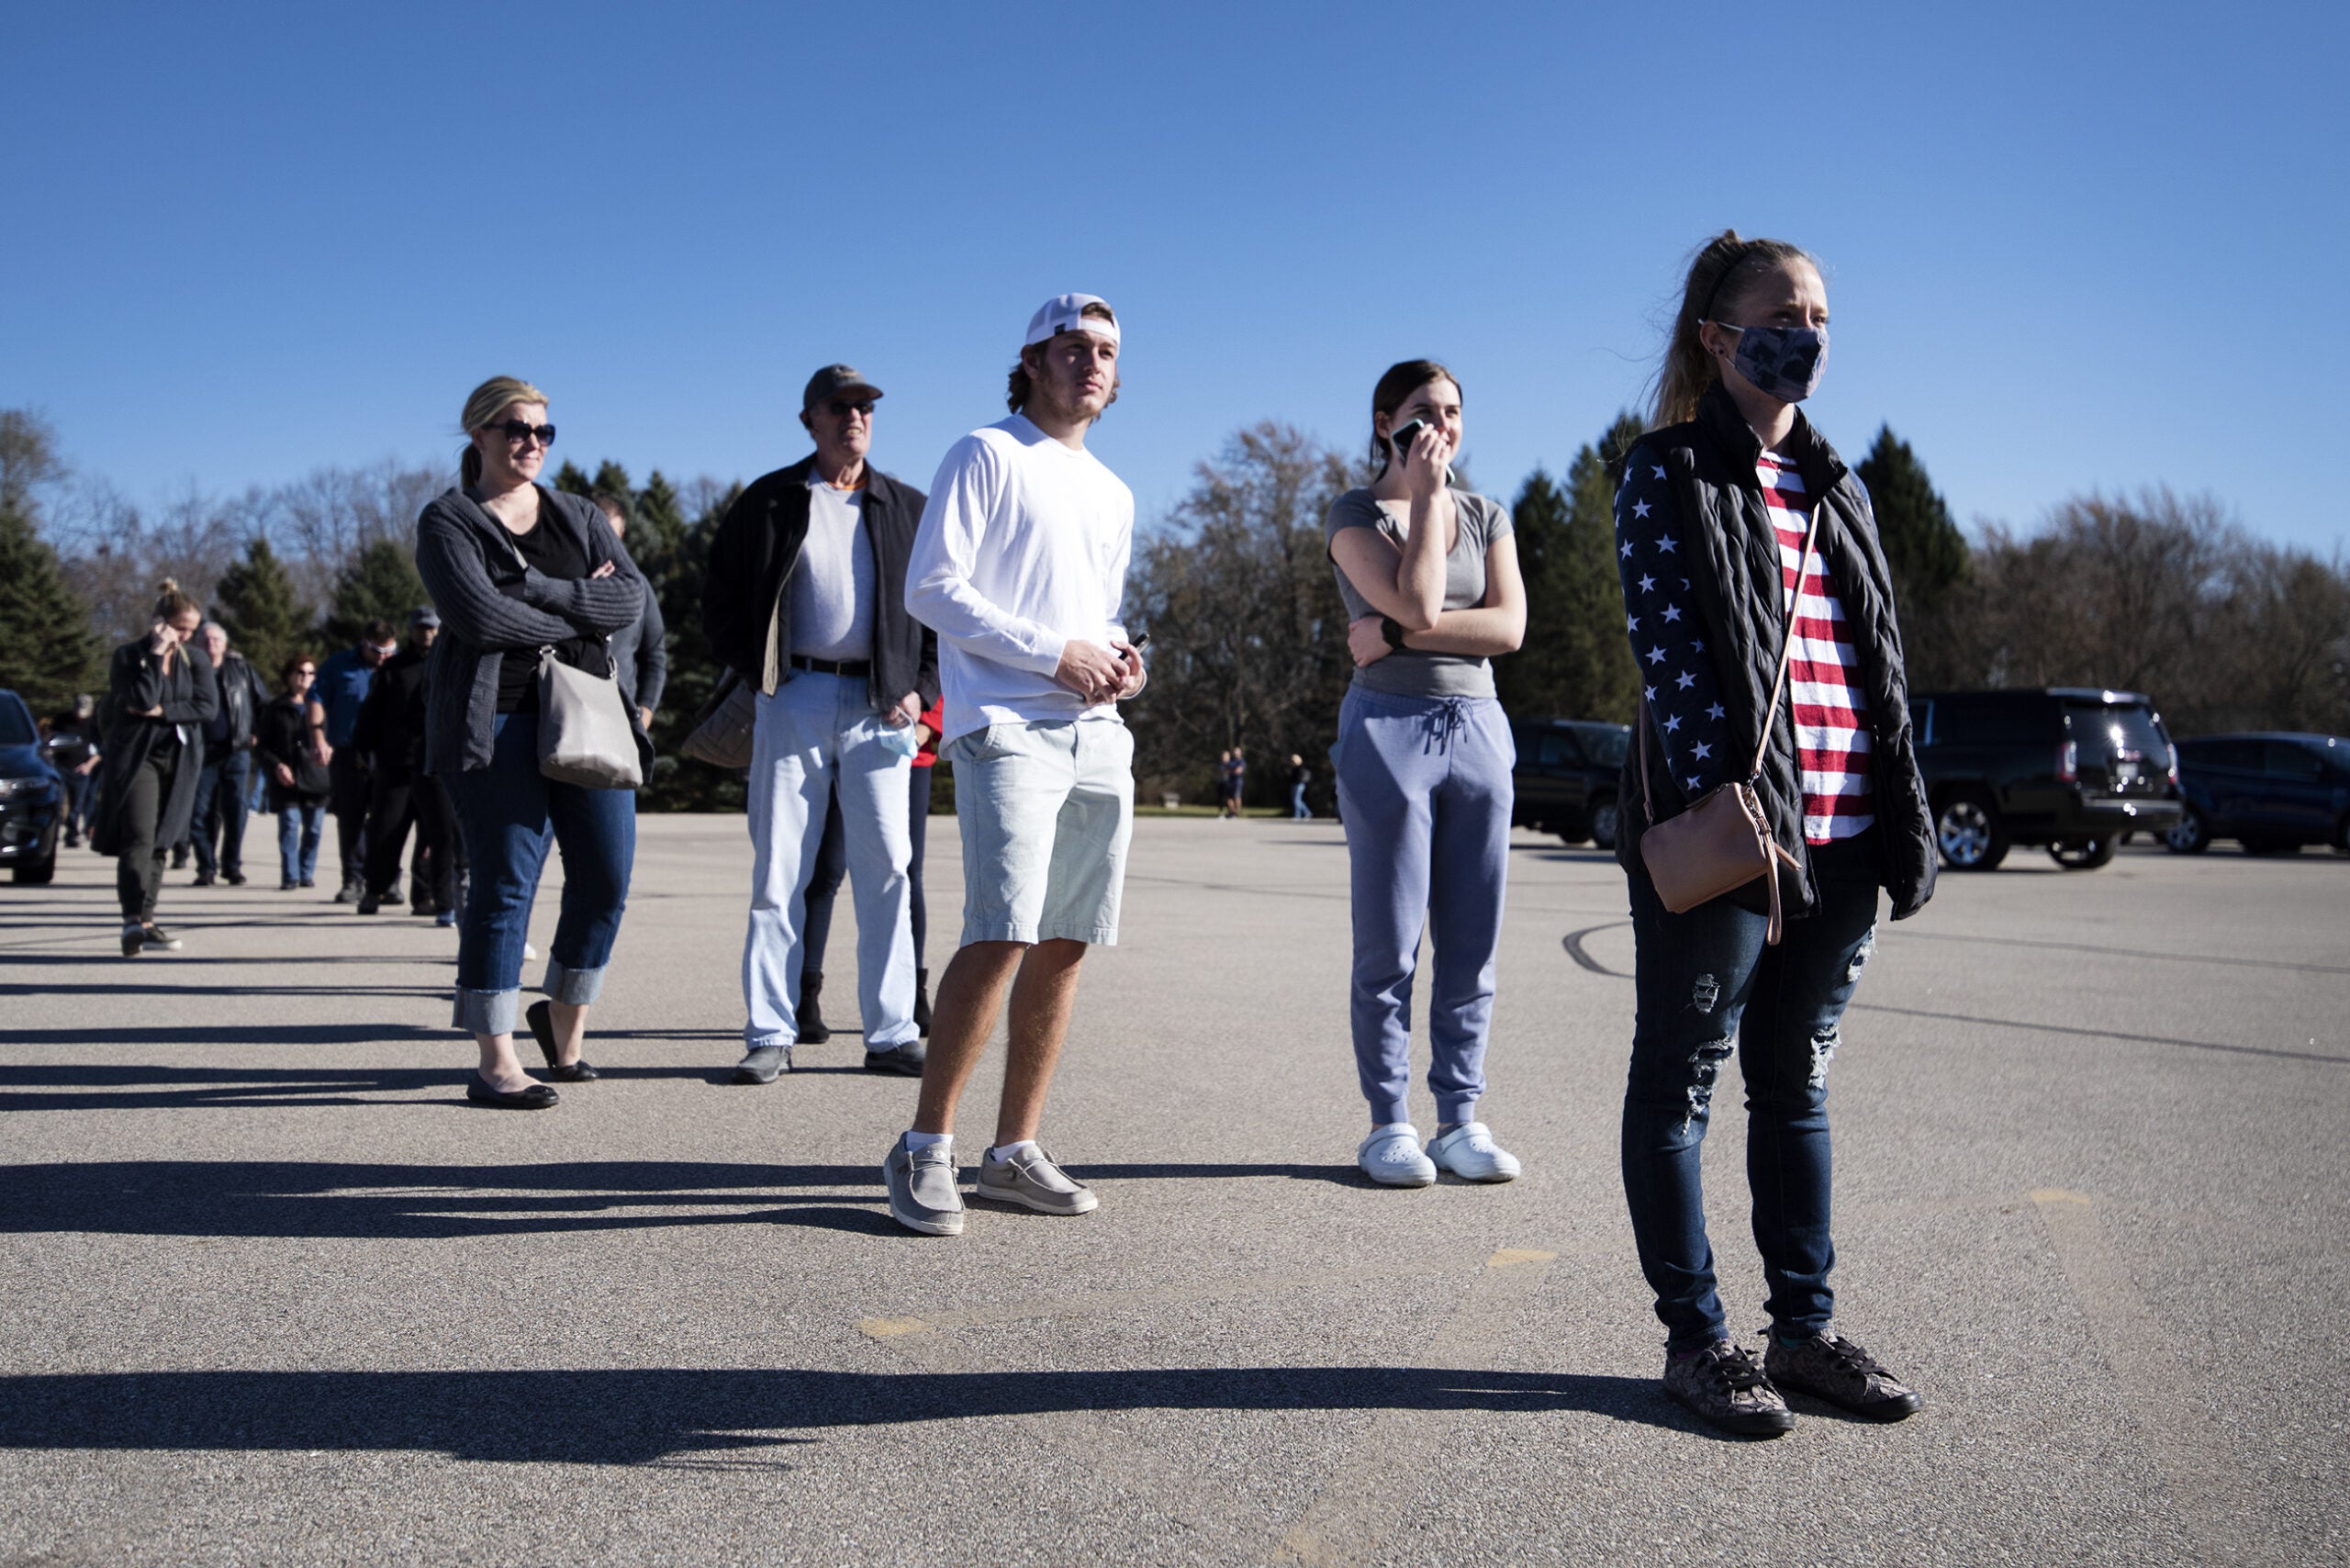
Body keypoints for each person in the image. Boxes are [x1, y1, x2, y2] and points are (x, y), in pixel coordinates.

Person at [1609, 231, 1936, 1437]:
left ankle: (1803, 1332)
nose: (1807, 332)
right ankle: (1700, 1343)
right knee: (1681, 1080)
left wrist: (1899, 813)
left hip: (1847, 835)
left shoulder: (1841, 483)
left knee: (1794, 1086)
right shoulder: (1668, 471)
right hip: (1735, 832)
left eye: (1821, 316)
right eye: (1783, 312)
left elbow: (1879, 664)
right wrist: (1734, 814)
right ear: (1716, 334)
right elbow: (1673, 655)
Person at [890, 293, 1145, 1238]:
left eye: (1106, 351)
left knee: (1066, 938)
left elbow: (1096, 612)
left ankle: (1011, 1150)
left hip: (1093, 731)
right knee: (1000, 929)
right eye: (1071, 346)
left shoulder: (1113, 491)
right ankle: (925, 1146)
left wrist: (1121, 658)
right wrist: (1053, 653)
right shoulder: (984, 453)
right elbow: (932, 587)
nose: (1090, 362)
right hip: (1003, 726)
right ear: (1031, 360)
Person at [414, 375, 650, 1110]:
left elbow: (631, 599)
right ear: (478, 433)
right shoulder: (449, 520)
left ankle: (563, 1017)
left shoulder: (579, 514)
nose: (531, 444)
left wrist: (537, 592)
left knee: (606, 877)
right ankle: (494, 1060)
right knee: (506, 884)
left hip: (586, 712)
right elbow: (480, 621)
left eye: (544, 432)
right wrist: (582, 605)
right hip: (497, 720)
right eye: (516, 429)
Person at [702, 364, 938, 1084]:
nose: (855, 418)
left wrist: (922, 694)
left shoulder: (907, 506)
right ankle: (770, 1031)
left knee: (889, 872)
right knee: (780, 871)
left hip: (882, 710)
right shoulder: (771, 501)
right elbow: (720, 603)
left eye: (865, 407)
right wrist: (761, 675)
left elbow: (942, 611)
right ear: (809, 419)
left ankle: (893, 1031)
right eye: (839, 407)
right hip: (794, 695)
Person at [1326, 359, 1528, 1190]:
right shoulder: (1357, 513)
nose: (1439, 427)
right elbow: (1416, 598)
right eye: (1420, 414)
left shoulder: (1490, 513)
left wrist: (1401, 637)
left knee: (1472, 942)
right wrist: (1423, 497)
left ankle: (1461, 1120)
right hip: (1388, 729)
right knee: (1391, 942)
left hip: (1479, 728)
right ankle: (1389, 1124)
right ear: (1385, 424)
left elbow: (1508, 628)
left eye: (1450, 413)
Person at [800, 692, 946, 1042]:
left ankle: (912, 994)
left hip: (907, 750)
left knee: (906, 874)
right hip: (846, 746)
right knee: (827, 870)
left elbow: (940, 659)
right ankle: (804, 997)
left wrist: (927, 725)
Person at [92, 581, 218, 956]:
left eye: (191, 630)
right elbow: (140, 696)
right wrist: (159, 656)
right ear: (160, 623)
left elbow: (206, 708)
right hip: (138, 758)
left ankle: (147, 921)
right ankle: (131, 919)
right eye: (180, 628)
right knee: (139, 838)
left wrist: (163, 711)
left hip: (180, 760)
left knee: (162, 841)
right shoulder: (128, 657)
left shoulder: (196, 660)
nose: (186, 636)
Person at [352, 609, 457, 923]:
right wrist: (362, 748)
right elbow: (370, 712)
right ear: (410, 631)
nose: (426, 634)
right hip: (396, 765)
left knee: (439, 837)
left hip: (436, 765)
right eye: (420, 628)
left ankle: (438, 900)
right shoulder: (393, 669)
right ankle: (374, 890)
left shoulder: (450, 665)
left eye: (431, 629)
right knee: (386, 831)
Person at [313, 620, 396, 902]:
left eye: (389, 650)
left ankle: (387, 881)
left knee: (388, 820)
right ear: (364, 642)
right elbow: (316, 699)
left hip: (388, 754)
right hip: (349, 752)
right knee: (351, 819)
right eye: (377, 650)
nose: (383, 657)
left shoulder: (398, 666)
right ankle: (352, 879)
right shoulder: (338, 665)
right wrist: (318, 739)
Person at [187, 622, 268, 887]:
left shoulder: (241, 669)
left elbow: (262, 703)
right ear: (197, 644)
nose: (211, 644)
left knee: (237, 811)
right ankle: (205, 867)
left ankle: (232, 866)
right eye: (205, 639)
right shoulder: (189, 671)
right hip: (201, 753)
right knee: (199, 812)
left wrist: (256, 730)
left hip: (236, 750)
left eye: (215, 639)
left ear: (225, 643)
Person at [596, 492, 668, 733]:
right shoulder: (565, 582)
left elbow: (655, 653)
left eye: (612, 535)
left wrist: (646, 709)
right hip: (569, 714)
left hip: (624, 718)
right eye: (598, 534)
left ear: (622, 535)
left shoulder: (639, 586)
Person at [258, 654, 330, 889]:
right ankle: (290, 875)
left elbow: (333, 737)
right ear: (289, 676)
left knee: (314, 829)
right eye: (300, 673)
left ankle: (306, 871)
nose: (305, 678)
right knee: (289, 824)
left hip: (316, 776)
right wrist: (277, 765)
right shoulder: (275, 708)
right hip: (286, 776)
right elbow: (263, 746)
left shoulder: (324, 706)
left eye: (311, 673)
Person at [44, 695, 101, 848]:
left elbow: (101, 749)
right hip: (60, 767)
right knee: (58, 801)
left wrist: (89, 765)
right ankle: (52, 834)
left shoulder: (94, 724)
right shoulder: (61, 720)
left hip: (82, 769)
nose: (80, 716)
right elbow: (49, 739)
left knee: (77, 805)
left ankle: (72, 834)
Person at [1288, 754, 1312, 820]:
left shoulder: (1301, 768)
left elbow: (1299, 778)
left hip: (1299, 785)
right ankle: (1307, 813)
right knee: (1298, 800)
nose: (1292, 763)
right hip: (1295, 785)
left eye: (1293, 761)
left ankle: (1297, 815)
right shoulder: (1294, 768)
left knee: (1296, 800)